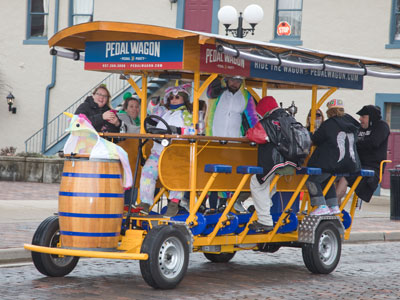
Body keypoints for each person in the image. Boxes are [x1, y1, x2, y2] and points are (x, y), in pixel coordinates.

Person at [138, 83, 193, 217]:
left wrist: (178, 131)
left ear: (184, 99)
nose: (174, 99)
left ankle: (174, 202)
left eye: (177, 97)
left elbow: (194, 130)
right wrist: (153, 102)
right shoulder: (164, 112)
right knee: (147, 172)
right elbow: (151, 113)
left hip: (175, 152)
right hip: (158, 150)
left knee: (176, 175)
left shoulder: (187, 114)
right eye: (172, 97)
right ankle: (145, 203)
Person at [246, 96, 299, 232]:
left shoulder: (269, 121)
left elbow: (254, 135)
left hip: (275, 162)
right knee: (270, 184)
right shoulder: (290, 118)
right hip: (292, 162)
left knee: (257, 184)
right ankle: (263, 206)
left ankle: (264, 220)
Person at [206, 76, 258, 210]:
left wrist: (259, 134)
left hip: (234, 141)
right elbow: (210, 91)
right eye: (232, 80)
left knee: (230, 174)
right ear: (226, 80)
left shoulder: (246, 96)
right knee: (212, 175)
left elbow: (252, 117)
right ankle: (210, 207)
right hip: (214, 139)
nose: (235, 83)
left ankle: (224, 205)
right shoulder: (218, 92)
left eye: (238, 81)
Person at [306, 99, 361, 215]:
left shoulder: (329, 124)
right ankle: (333, 206)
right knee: (326, 180)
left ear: (330, 112)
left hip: (332, 163)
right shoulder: (352, 124)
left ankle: (320, 205)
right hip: (349, 164)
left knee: (312, 180)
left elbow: (315, 140)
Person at [336, 105, 390, 203]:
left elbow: (373, 143)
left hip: (372, 167)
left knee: (345, 176)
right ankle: (335, 205)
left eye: (363, 117)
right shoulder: (359, 128)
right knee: (335, 175)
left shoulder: (382, 126)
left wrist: (354, 144)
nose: (360, 119)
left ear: (371, 117)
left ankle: (334, 204)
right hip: (356, 164)